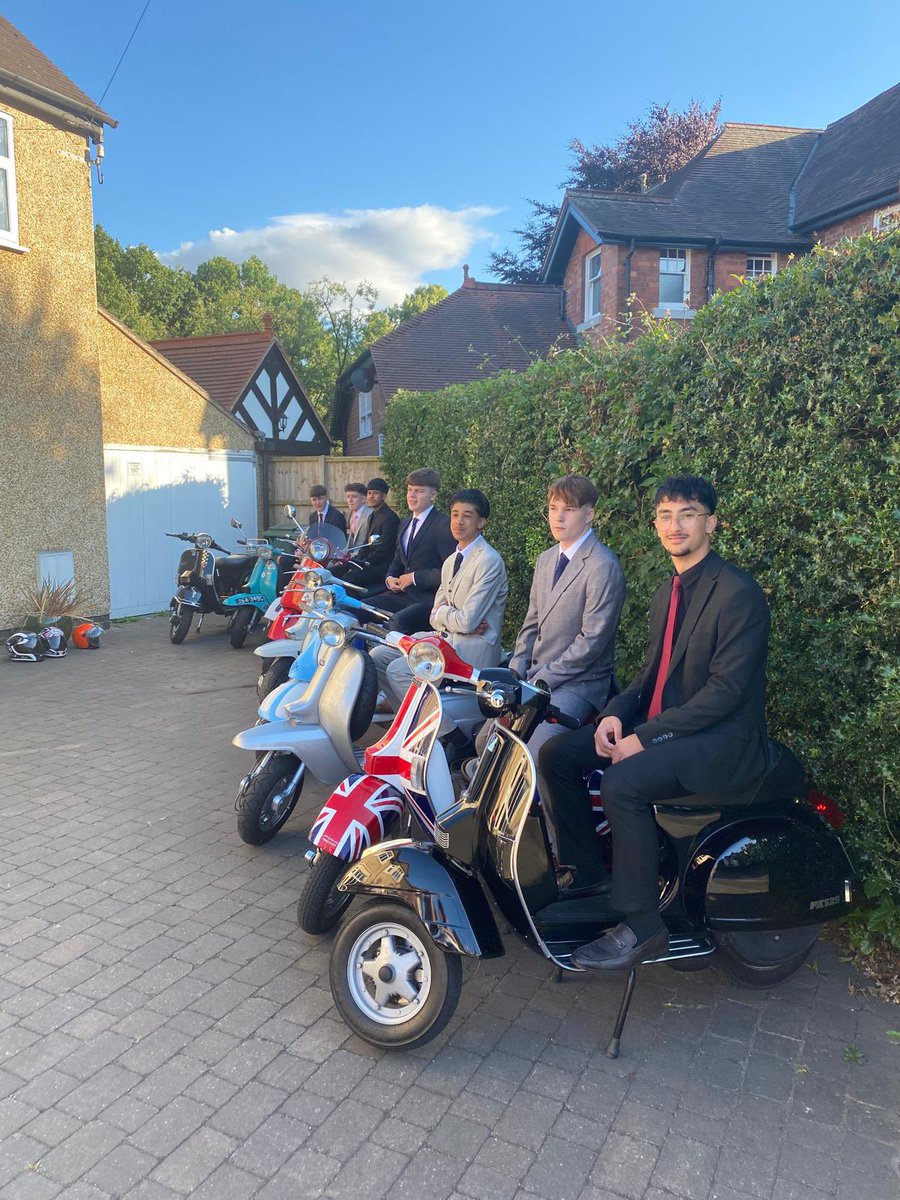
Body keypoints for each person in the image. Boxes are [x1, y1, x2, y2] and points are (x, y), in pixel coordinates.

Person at [539, 475, 772, 972]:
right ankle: (588, 875)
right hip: (669, 728)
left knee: (622, 781)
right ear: (655, 525)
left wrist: (644, 737)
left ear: (711, 522)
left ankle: (644, 926)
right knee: (557, 754)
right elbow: (650, 676)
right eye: (665, 516)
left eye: (688, 514)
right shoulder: (669, 592)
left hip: (720, 740)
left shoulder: (738, 593)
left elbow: (726, 693)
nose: (675, 525)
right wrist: (614, 714)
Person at [504, 474, 625, 794]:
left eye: (568, 509)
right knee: (488, 740)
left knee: (534, 754)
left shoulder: (602, 565)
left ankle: (549, 826)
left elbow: (591, 642)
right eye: (553, 508)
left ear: (589, 514)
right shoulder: (546, 559)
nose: (558, 517)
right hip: (535, 679)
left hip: (579, 684)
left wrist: (541, 679)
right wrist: (515, 670)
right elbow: (531, 623)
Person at [371, 488, 509, 708]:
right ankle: (407, 719)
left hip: (471, 649)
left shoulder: (488, 561)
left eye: (467, 515)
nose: (459, 521)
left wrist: (446, 615)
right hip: (444, 640)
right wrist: (451, 617)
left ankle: (443, 727)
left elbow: (467, 621)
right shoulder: (451, 560)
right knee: (378, 656)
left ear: (481, 522)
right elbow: (434, 617)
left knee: (398, 671)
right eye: (455, 514)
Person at [371, 468, 456, 633]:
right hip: (401, 595)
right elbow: (397, 560)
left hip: (428, 600)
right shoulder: (404, 524)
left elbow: (450, 573)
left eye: (419, 491)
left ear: (433, 495)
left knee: (397, 622)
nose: (412, 495)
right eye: (410, 490)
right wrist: (390, 578)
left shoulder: (443, 525)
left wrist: (414, 577)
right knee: (358, 607)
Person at [334, 477, 399, 592]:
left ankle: (352, 604)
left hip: (382, 565)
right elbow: (365, 544)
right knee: (333, 571)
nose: (371, 496)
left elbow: (382, 550)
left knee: (349, 578)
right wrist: (355, 561)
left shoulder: (389, 518)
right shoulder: (372, 515)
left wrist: (362, 564)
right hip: (368, 561)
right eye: (369, 493)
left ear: (384, 496)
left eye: (375, 493)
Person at [344, 482, 372, 547]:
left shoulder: (370, 515)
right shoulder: (352, 513)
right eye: (348, 497)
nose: (350, 500)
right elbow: (351, 540)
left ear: (363, 499)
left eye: (354, 496)